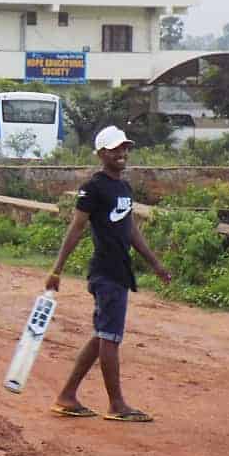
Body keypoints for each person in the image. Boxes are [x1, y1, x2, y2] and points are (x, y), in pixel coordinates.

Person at [45, 125, 171, 422]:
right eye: (115, 149)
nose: (122, 153)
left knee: (103, 335)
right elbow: (76, 228)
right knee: (110, 337)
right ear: (102, 154)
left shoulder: (124, 188)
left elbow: (131, 230)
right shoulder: (94, 187)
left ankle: (66, 397)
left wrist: (155, 263)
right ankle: (117, 405)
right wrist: (56, 269)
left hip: (120, 270)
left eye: (125, 148)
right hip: (105, 272)